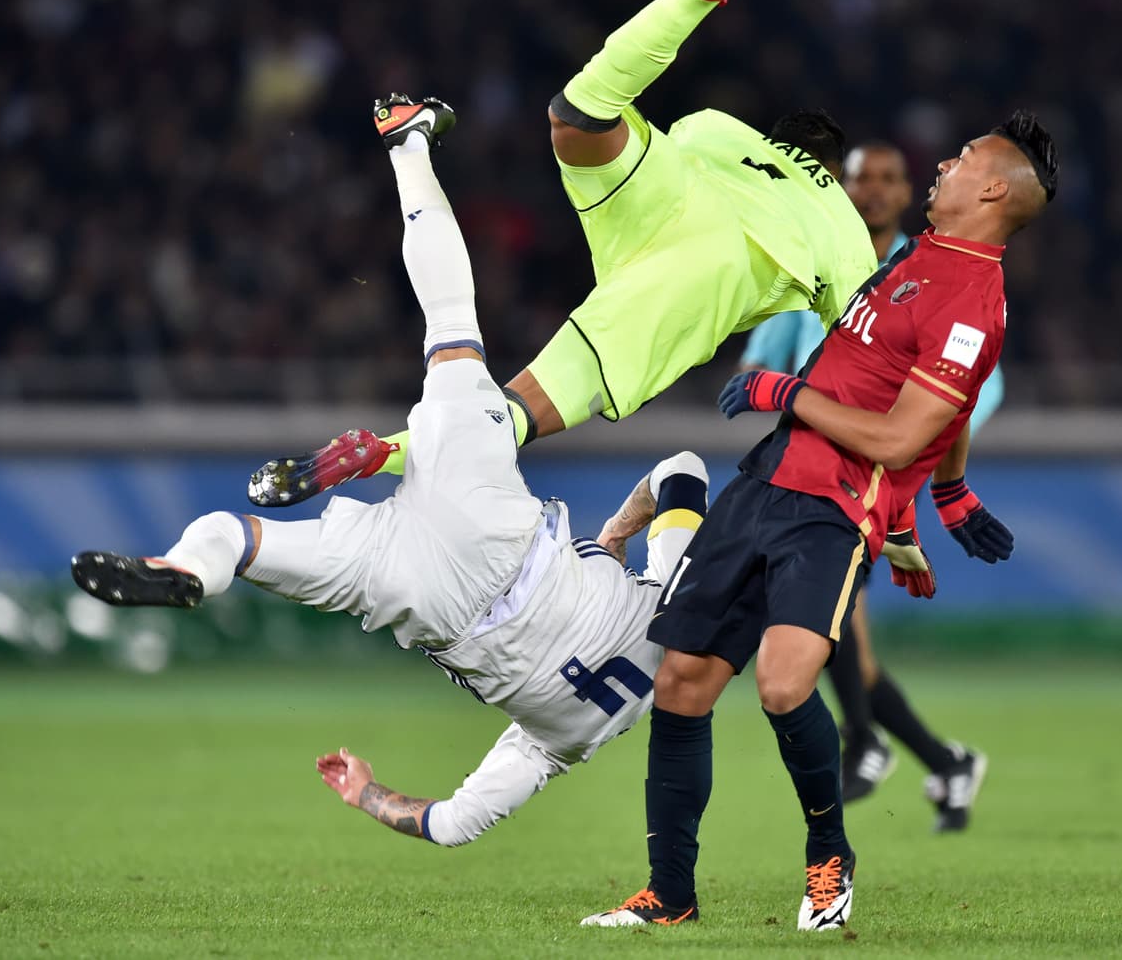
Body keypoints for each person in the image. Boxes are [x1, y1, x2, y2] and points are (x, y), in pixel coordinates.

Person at [69, 104, 710, 848]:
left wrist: (617, 535)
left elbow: (682, 470)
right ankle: (190, 568)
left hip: (500, 529)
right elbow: (449, 825)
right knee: (233, 537)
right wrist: (367, 791)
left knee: (451, 321)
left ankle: (408, 139)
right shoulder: (565, 743)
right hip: (422, 596)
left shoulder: (670, 616)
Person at [582, 111, 1058, 930]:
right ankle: (670, 894)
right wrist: (947, 494)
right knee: (681, 682)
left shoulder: (972, 299)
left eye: (964, 156)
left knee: (783, 682)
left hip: (834, 508)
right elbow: (958, 403)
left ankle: (829, 858)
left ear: (990, 188)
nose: (943, 160)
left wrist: (785, 393)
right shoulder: (917, 259)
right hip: (767, 477)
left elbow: (907, 431)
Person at [242, 0, 876, 508]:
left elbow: (672, 149)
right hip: (709, 272)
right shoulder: (845, 226)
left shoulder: (722, 127)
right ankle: (385, 451)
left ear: (779, 139)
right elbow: (860, 361)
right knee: (518, 412)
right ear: (833, 168)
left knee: (580, 113)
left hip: (668, 194)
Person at [743, 141, 1003, 825]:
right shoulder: (812, 267)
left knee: (821, 629)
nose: (874, 191)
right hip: (803, 472)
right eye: (861, 178)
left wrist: (937, 488)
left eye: (889, 179)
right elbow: (761, 354)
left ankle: (867, 743)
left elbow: (955, 402)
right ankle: (944, 761)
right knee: (825, 634)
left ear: (907, 189)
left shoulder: (936, 273)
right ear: (842, 188)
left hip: (878, 483)